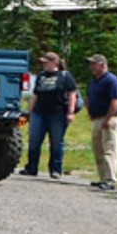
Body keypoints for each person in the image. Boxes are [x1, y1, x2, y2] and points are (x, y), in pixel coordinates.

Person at [19, 51, 79, 179]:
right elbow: (35, 95)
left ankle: (55, 170)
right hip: (39, 113)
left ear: (54, 62)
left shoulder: (65, 75)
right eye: (43, 63)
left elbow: (72, 94)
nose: (44, 65)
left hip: (57, 114)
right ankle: (31, 167)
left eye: (46, 62)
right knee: (34, 141)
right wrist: (30, 112)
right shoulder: (41, 76)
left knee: (56, 142)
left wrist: (70, 112)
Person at [85, 54, 117, 191]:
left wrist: (108, 118)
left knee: (109, 149)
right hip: (97, 118)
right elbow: (88, 97)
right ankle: (102, 177)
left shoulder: (111, 80)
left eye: (94, 64)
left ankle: (110, 179)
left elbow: (115, 101)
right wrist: (89, 112)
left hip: (110, 118)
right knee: (98, 150)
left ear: (102, 65)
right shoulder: (94, 80)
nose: (92, 67)